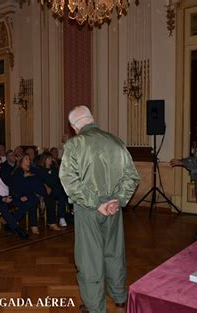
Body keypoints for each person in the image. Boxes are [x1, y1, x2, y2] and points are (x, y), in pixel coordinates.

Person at [59, 105, 140, 313]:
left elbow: (69, 180)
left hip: (89, 208)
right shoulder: (116, 141)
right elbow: (132, 177)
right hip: (114, 208)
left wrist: (96, 203)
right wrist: (118, 200)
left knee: (89, 259)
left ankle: (95, 307)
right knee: (114, 253)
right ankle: (120, 298)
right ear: (91, 118)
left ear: (74, 126)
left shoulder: (75, 144)